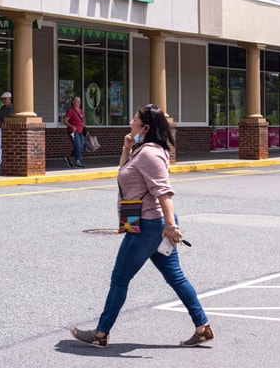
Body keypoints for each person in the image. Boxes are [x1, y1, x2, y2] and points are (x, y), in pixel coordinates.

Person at [71, 104, 213, 349]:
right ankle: (202, 328)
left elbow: (163, 192)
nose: (130, 123)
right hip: (146, 222)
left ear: (145, 127)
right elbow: (124, 172)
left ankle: (100, 334)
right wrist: (127, 148)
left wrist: (170, 226)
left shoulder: (149, 154)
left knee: (119, 279)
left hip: (148, 225)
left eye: (134, 120)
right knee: (175, 277)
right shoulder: (142, 150)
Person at [64, 95, 86, 168]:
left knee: (80, 146)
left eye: (79, 101)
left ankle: (69, 158)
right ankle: (77, 162)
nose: (78, 102)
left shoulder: (81, 111)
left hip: (81, 131)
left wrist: (85, 130)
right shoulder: (71, 110)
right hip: (73, 131)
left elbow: (82, 122)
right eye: (77, 101)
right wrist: (72, 126)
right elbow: (65, 121)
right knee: (78, 146)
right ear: (73, 102)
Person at [0, 91, 13, 168]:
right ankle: (0, 161)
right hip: (1, 129)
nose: (3, 101)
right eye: (3, 99)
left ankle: (8, 160)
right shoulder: (1, 109)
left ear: (9, 99)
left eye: (5, 99)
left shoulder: (14, 108)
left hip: (10, 130)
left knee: (8, 145)